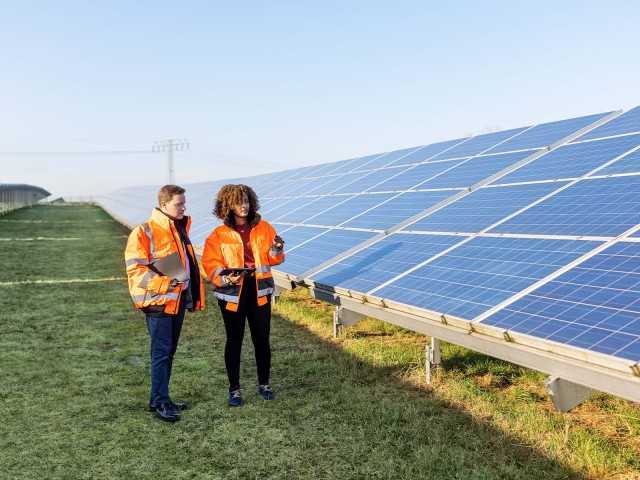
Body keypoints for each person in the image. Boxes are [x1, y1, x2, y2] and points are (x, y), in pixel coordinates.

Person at [124, 184, 205, 422]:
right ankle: (160, 402)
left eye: (184, 203)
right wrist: (164, 284)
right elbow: (135, 271)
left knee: (168, 353)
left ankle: (161, 397)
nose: (183, 207)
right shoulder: (144, 231)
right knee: (161, 353)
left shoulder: (178, 229)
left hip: (177, 300)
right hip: (158, 303)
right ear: (164, 204)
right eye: (179, 203)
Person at [202, 184, 284, 407]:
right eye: (239, 202)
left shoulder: (265, 228)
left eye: (246, 200)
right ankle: (234, 389)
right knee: (234, 340)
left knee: (262, 340)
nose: (244, 205)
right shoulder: (218, 235)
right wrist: (228, 279)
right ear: (227, 205)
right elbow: (211, 264)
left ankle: (264, 384)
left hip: (260, 291)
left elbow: (275, 259)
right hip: (232, 294)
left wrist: (277, 248)